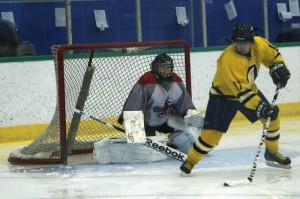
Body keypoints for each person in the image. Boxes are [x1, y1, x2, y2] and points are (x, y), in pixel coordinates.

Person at [180, 23, 291, 174]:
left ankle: (271, 152)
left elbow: (274, 56)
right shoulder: (229, 59)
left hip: (249, 91)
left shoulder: (260, 44)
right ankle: (191, 161)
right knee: (211, 136)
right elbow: (242, 93)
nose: (241, 46)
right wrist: (261, 106)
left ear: (252, 41)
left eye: (245, 42)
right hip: (223, 96)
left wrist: (279, 67)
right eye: (238, 42)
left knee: (272, 119)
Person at [118, 53, 204, 154]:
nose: (165, 71)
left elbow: (185, 105)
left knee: (180, 134)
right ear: (155, 68)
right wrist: (132, 126)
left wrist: (192, 118)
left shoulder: (176, 81)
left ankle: (193, 151)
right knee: (146, 152)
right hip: (147, 123)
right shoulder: (147, 80)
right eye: (162, 67)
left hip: (165, 120)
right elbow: (135, 103)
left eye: (168, 68)